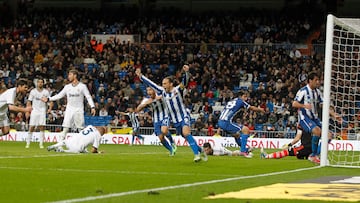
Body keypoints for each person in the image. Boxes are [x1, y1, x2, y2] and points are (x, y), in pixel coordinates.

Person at [136, 65, 207, 162]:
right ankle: (200, 149)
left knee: (186, 133)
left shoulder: (178, 90)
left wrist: (186, 73)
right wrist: (141, 76)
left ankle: (196, 155)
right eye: (163, 84)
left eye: (165, 83)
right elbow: (152, 84)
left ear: (171, 84)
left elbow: (184, 83)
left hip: (183, 115)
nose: (163, 85)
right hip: (174, 119)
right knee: (184, 136)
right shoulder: (162, 92)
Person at [292, 72, 339, 164]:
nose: (318, 82)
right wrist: (304, 106)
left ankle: (316, 155)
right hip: (304, 118)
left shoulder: (317, 92)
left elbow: (324, 105)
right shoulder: (303, 91)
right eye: (316, 80)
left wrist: (334, 115)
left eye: (318, 80)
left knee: (329, 135)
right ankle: (313, 155)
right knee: (317, 131)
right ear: (310, 81)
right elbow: (294, 104)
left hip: (315, 118)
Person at [42, 69, 96, 143]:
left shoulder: (82, 86)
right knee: (65, 127)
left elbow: (88, 97)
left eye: (70, 75)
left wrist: (92, 107)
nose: (68, 76)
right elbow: (59, 95)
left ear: (75, 76)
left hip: (79, 109)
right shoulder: (67, 87)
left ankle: (83, 146)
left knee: (80, 129)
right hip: (69, 109)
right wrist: (49, 99)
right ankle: (60, 145)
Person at [217, 91, 265, 158]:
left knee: (237, 135)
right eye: (244, 97)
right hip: (226, 122)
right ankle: (243, 151)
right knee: (246, 130)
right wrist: (260, 110)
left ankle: (246, 150)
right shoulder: (241, 101)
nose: (246, 98)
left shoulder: (230, 101)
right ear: (240, 96)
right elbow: (251, 108)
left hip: (220, 121)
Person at [136, 86, 176, 155]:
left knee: (164, 130)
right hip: (156, 119)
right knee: (161, 138)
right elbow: (138, 109)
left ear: (154, 90)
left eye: (150, 90)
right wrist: (146, 104)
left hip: (165, 116)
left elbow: (169, 97)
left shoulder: (160, 95)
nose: (149, 92)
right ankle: (171, 150)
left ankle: (172, 142)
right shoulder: (146, 100)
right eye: (147, 90)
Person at [25, 78, 52, 148]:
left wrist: (50, 108)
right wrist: (27, 111)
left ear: (43, 83)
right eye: (39, 82)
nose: (40, 83)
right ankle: (28, 143)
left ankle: (41, 144)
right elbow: (29, 101)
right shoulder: (33, 91)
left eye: (41, 82)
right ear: (36, 83)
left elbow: (50, 100)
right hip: (34, 110)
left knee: (42, 126)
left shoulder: (46, 92)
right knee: (32, 126)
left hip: (42, 110)